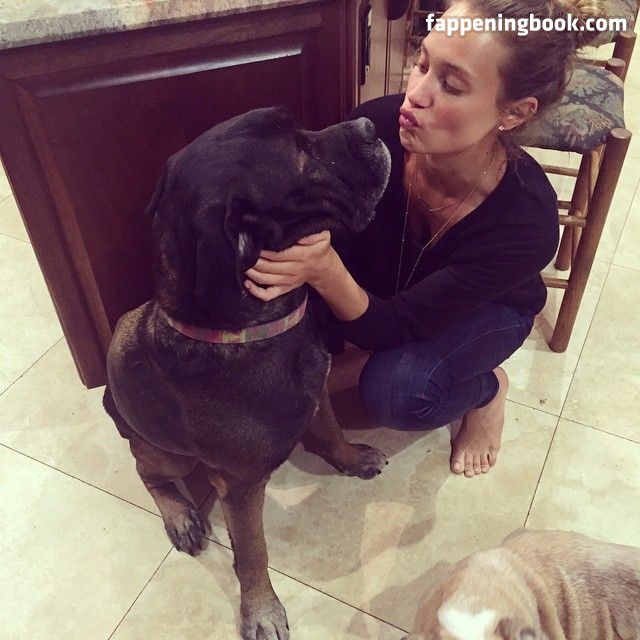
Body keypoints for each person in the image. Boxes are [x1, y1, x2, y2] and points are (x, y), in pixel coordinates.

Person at [243, 0, 598, 477]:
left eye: (451, 85)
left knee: (397, 390)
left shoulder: (525, 224)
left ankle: (487, 391)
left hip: (487, 308)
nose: (415, 95)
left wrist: (324, 272)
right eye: (423, 63)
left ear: (514, 112)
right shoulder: (376, 130)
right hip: (394, 286)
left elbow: (389, 324)